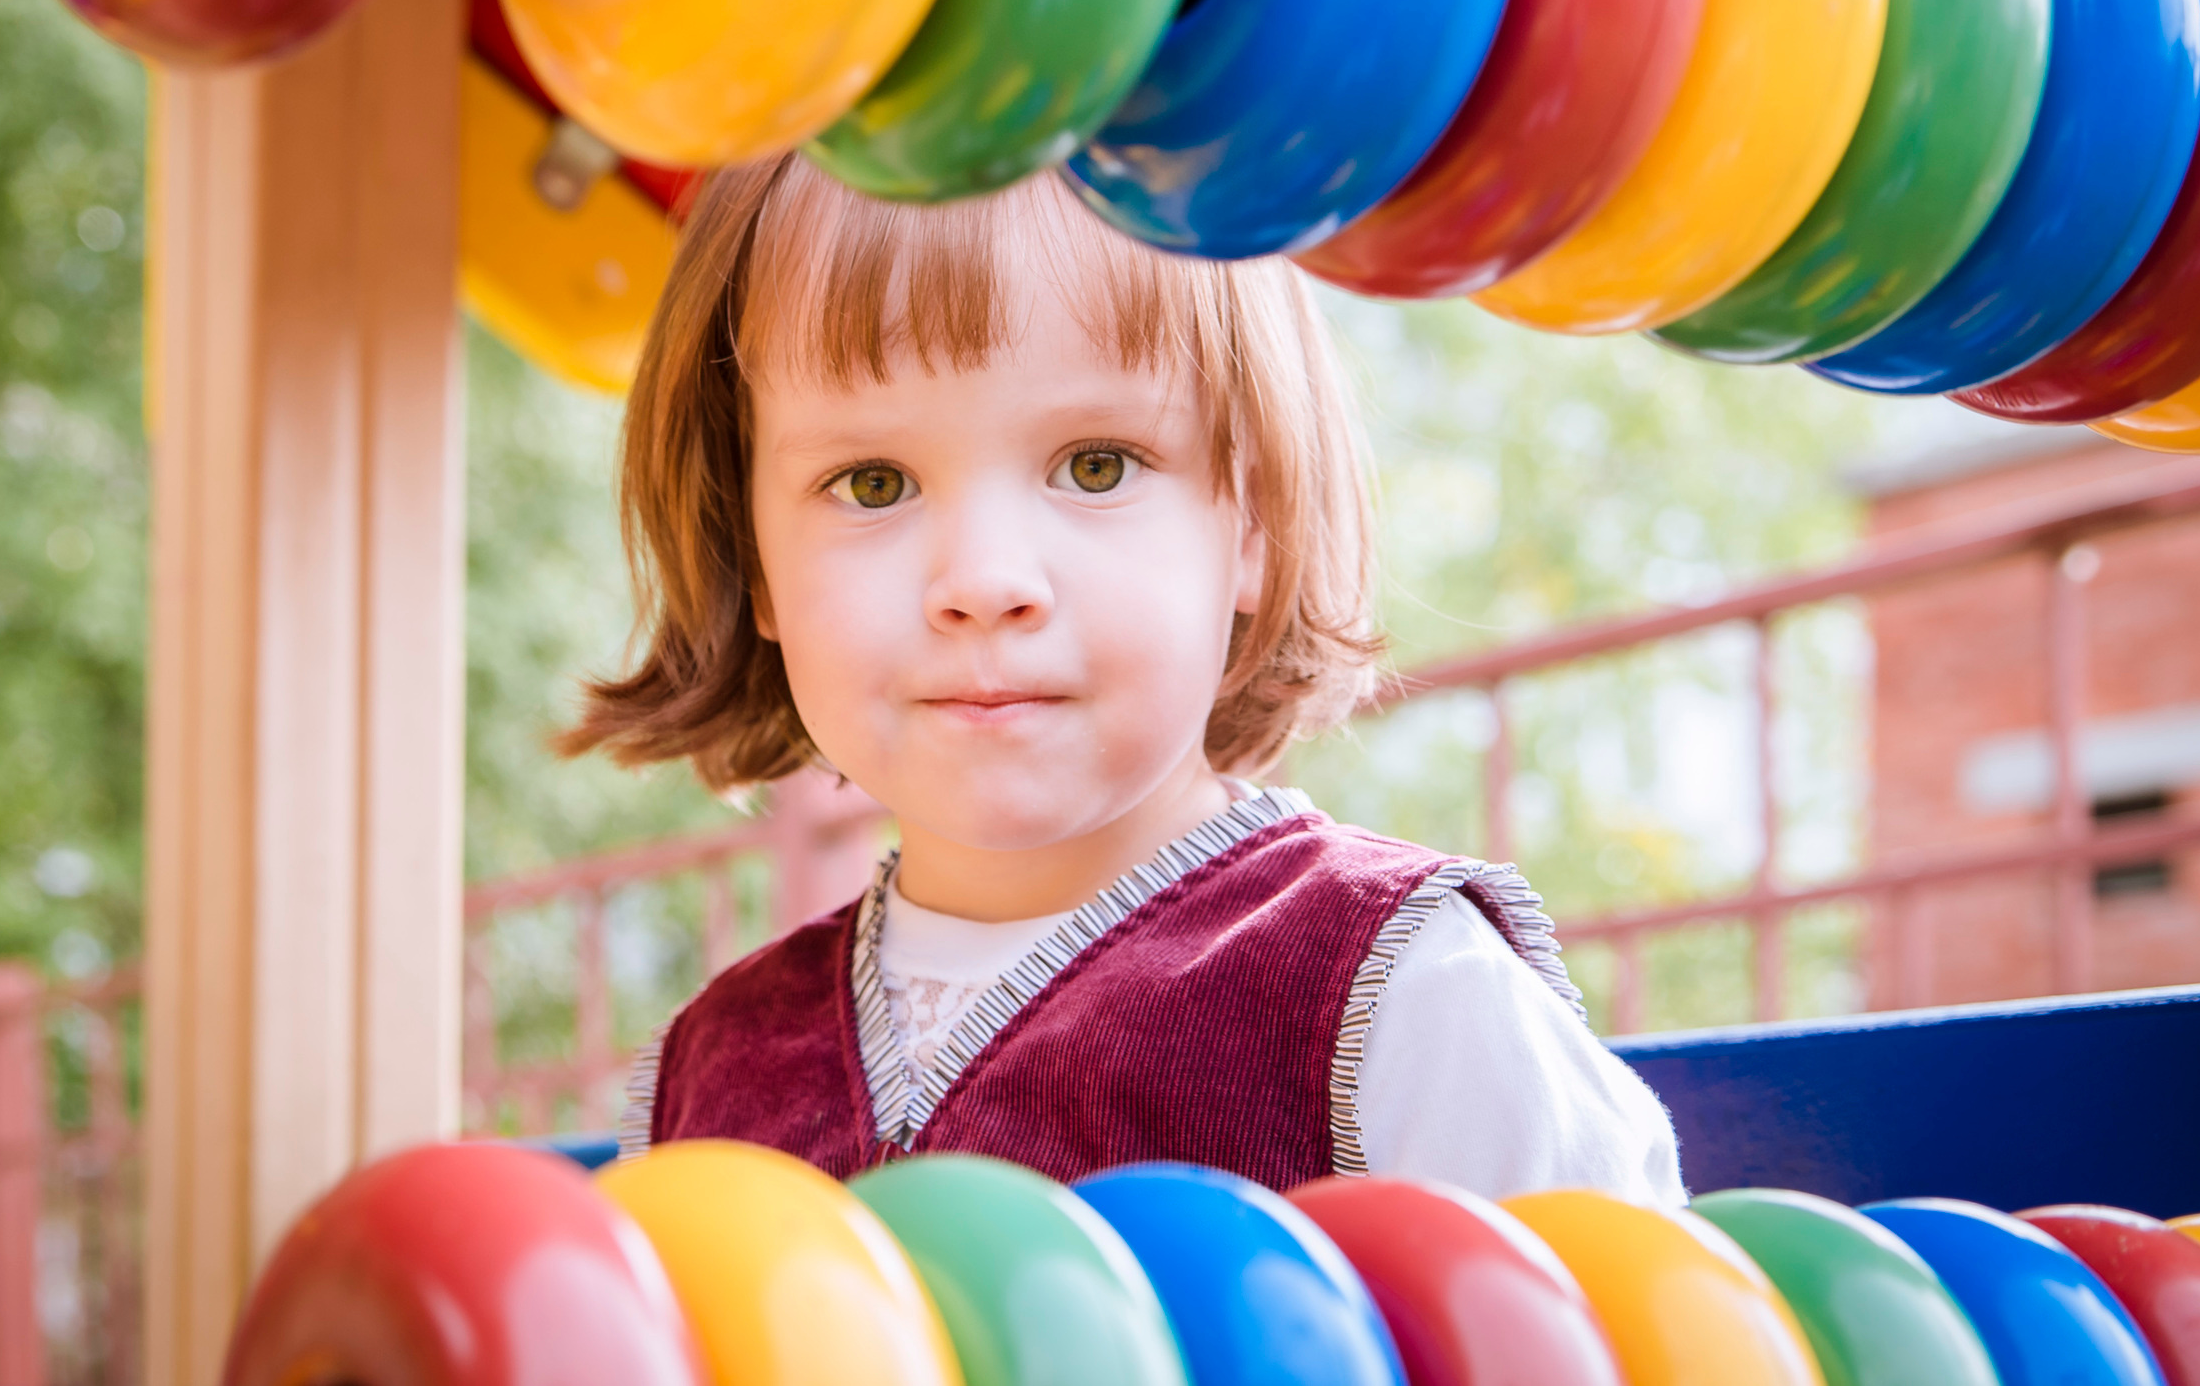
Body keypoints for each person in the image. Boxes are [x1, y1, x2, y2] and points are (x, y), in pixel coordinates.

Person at [564, 154, 1683, 1204]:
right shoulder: (699, 1087)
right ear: (752, 556)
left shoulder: (1403, 994)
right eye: (870, 482)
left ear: (1249, 515)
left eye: (1094, 464)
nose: (983, 581)